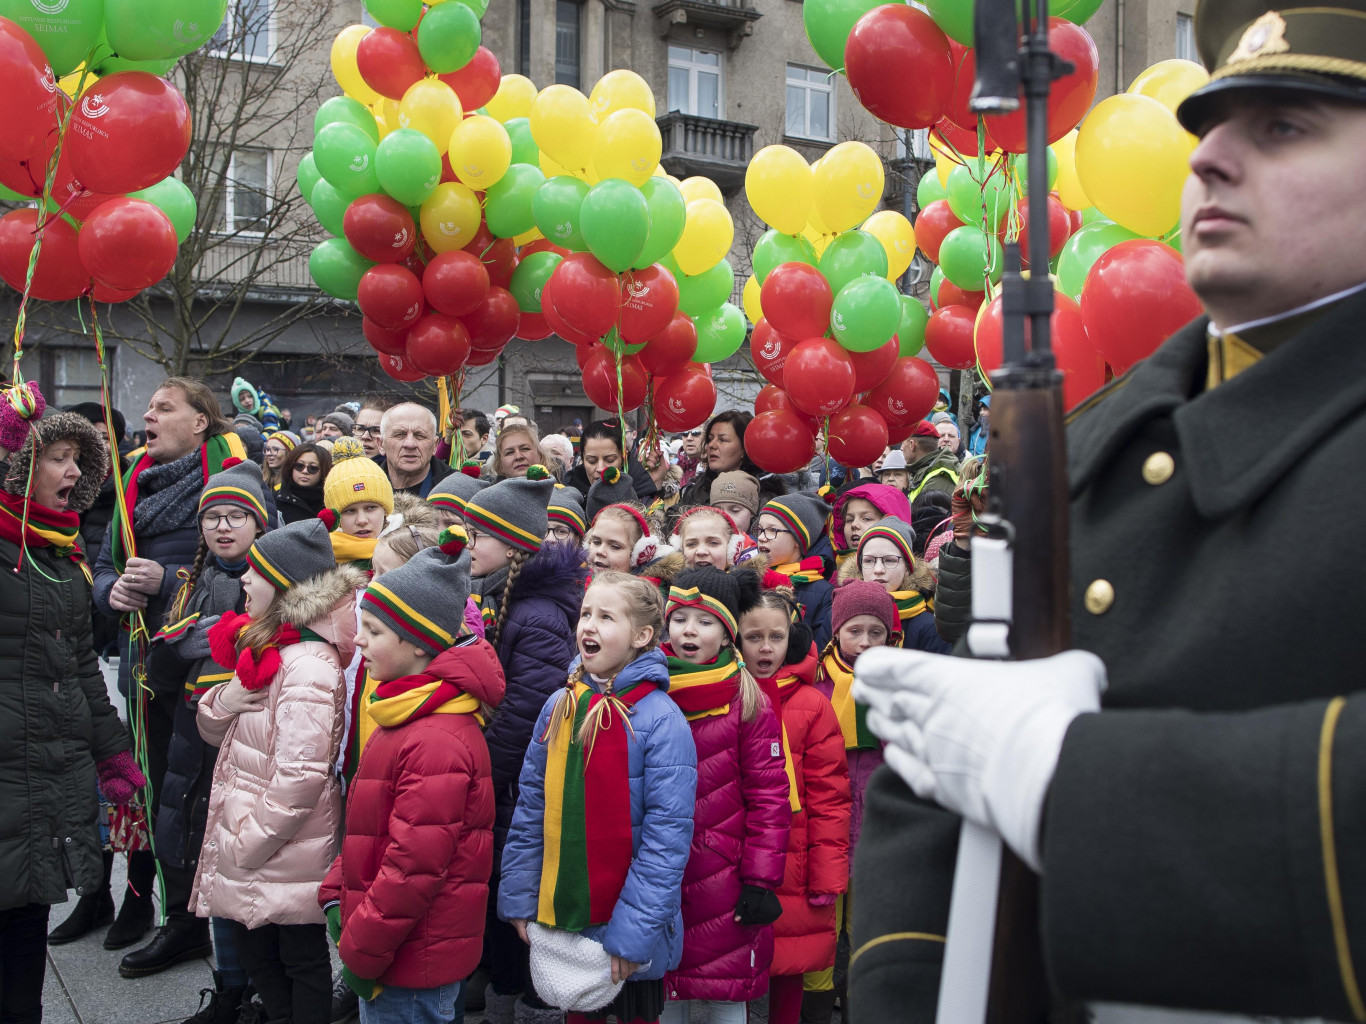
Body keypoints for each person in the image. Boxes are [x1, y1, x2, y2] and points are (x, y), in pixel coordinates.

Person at [849, 5, 1366, 1019]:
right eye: (1211, 126)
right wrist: (907, 987)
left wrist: (1069, 781)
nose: (1208, 158)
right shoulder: (1089, 437)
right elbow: (933, 778)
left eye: (1283, 128)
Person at [93, 377, 249, 972]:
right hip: (144, 664)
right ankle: (155, 905)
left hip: (203, 670)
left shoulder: (234, 480)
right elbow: (104, 563)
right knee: (152, 783)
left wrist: (169, 582)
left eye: (164, 407)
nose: (148, 415)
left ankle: (196, 921)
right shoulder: (133, 480)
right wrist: (114, 591)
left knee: (193, 792)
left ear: (201, 423)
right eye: (150, 407)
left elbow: (250, 576)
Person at [320, 528, 506, 1024]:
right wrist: (338, 887)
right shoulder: (406, 710)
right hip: (393, 941)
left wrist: (362, 947)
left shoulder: (435, 740)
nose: (359, 640)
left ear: (418, 645)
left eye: (374, 631)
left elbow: (414, 869)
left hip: (410, 956)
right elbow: (371, 819)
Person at [0, 395, 145, 1018]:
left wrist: (113, 753)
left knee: (26, 920)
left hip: (43, 772)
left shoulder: (61, 551)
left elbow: (83, 666)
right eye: (55, 457)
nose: (71, 473)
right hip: (8, 765)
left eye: (74, 460)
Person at [500, 572, 698, 1024]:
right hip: (563, 916)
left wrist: (632, 936)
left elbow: (665, 842)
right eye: (586, 613)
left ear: (642, 636)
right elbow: (532, 809)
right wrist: (520, 898)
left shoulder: (661, 722)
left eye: (606, 617)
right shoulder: (561, 705)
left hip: (627, 930)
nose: (589, 624)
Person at [192, 519, 360, 1024]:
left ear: (285, 586)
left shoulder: (307, 665)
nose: (244, 580)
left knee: (299, 958)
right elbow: (210, 724)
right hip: (252, 837)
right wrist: (226, 698)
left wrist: (249, 841)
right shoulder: (269, 647)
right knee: (257, 954)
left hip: (281, 845)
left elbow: (301, 777)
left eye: (255, 572)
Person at [145, 459, 271, 1024]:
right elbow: (160, 672)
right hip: (193, 745)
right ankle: (228, 984)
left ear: (259, 524)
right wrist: (181, 644)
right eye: (213, 517)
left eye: (237, 516)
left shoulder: (274, 583)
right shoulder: (187, 586)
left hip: (249, 750)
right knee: (210, 867)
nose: (223, 527)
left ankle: (263, 985)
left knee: (250, 871)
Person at [463, 469, 585, 1024]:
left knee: (511, 901)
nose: (466, 544)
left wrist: (475, 768)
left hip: (509, 786)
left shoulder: (535, 616)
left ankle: (518, 1001)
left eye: (478, 534)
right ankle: (498, 989)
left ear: (512, 545)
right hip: (497, 782)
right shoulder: (499, 598)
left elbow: (522, 715)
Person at [659, 566, 791, 1024]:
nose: (689, 631)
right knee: (664, 993)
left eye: (705, 620)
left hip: (725, 875)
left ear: (728, 631)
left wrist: (760, 879)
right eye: (679, 618)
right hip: (659, 870)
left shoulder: (747, 701)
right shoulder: (646, 689)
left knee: (725, 993)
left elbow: (770, 799)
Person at [739, 591, 850, 1024]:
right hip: (742, 856)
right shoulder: (730, 695)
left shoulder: (812, 704)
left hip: (797, 863)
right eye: (754, 636)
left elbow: (831, 799)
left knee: (791, 966)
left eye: (777, 636)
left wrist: (827, 873)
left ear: (794, 639)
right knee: (738, 966)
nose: (766, 647)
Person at [838, 517, 950, 656]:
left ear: (908, 568)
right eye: (869, 561)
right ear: (860, 567)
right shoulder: (840, 613)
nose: (878, 569)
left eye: (890, 560)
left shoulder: (928, 627)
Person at [754, 493, 836, 653]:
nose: (762, 538)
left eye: (772, 531)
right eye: (760, 530)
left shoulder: (824, 593)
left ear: (798, 541)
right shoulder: (750, 578)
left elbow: (820, 650)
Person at [320, 437, 395, 571]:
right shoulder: (317, 564)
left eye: (371, 508)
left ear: (385, 509)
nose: (361, 520)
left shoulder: (412, 551)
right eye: (350, 511)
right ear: (335, 517)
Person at [677, 412, 773, 509]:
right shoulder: (698, 488)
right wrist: (660, 485)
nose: (711, 445)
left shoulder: (765, 500)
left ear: (745, 448)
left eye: (722, 440)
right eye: (710, 439)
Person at [565, 420, 658, 506]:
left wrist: (658, 483)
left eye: (610, 460)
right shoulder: (569, 496)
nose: (600, 468)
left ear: (623, 458)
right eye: (591, 461)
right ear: (582, 459)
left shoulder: (644, 496)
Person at [829, 483, 913, 574]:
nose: (854, 525)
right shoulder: (832, 582)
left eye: (866, 519)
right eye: (849, 520)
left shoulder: (916, 586)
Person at [379, 404, 455, 498]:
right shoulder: (362, 484)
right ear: (381, 444)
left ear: (435, 445)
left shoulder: (458, 490)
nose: (410, 444)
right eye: (400, 435)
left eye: (420, 436)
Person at [585, 497, 663, 579]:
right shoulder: (577, 583)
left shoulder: (647, 591)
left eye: (615, 547)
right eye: (596, 542)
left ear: (638, 556)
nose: (600, 551)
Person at [899, 422, 960, 502]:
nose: (901, 448)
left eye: (903, 443)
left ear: (912, 444)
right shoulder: (926, 471)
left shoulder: (938, 478)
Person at [275, 442, 332, 525]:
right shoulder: (275, 500)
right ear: (291, 467)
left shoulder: (331, 502)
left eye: (313, 468)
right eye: (299, 466)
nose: (304, 471)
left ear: (323, 471)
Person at [709, 471, 760, 536]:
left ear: (752, 513)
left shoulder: (762, 545)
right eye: (718, 511)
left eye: (735, 511)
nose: (725, 517)